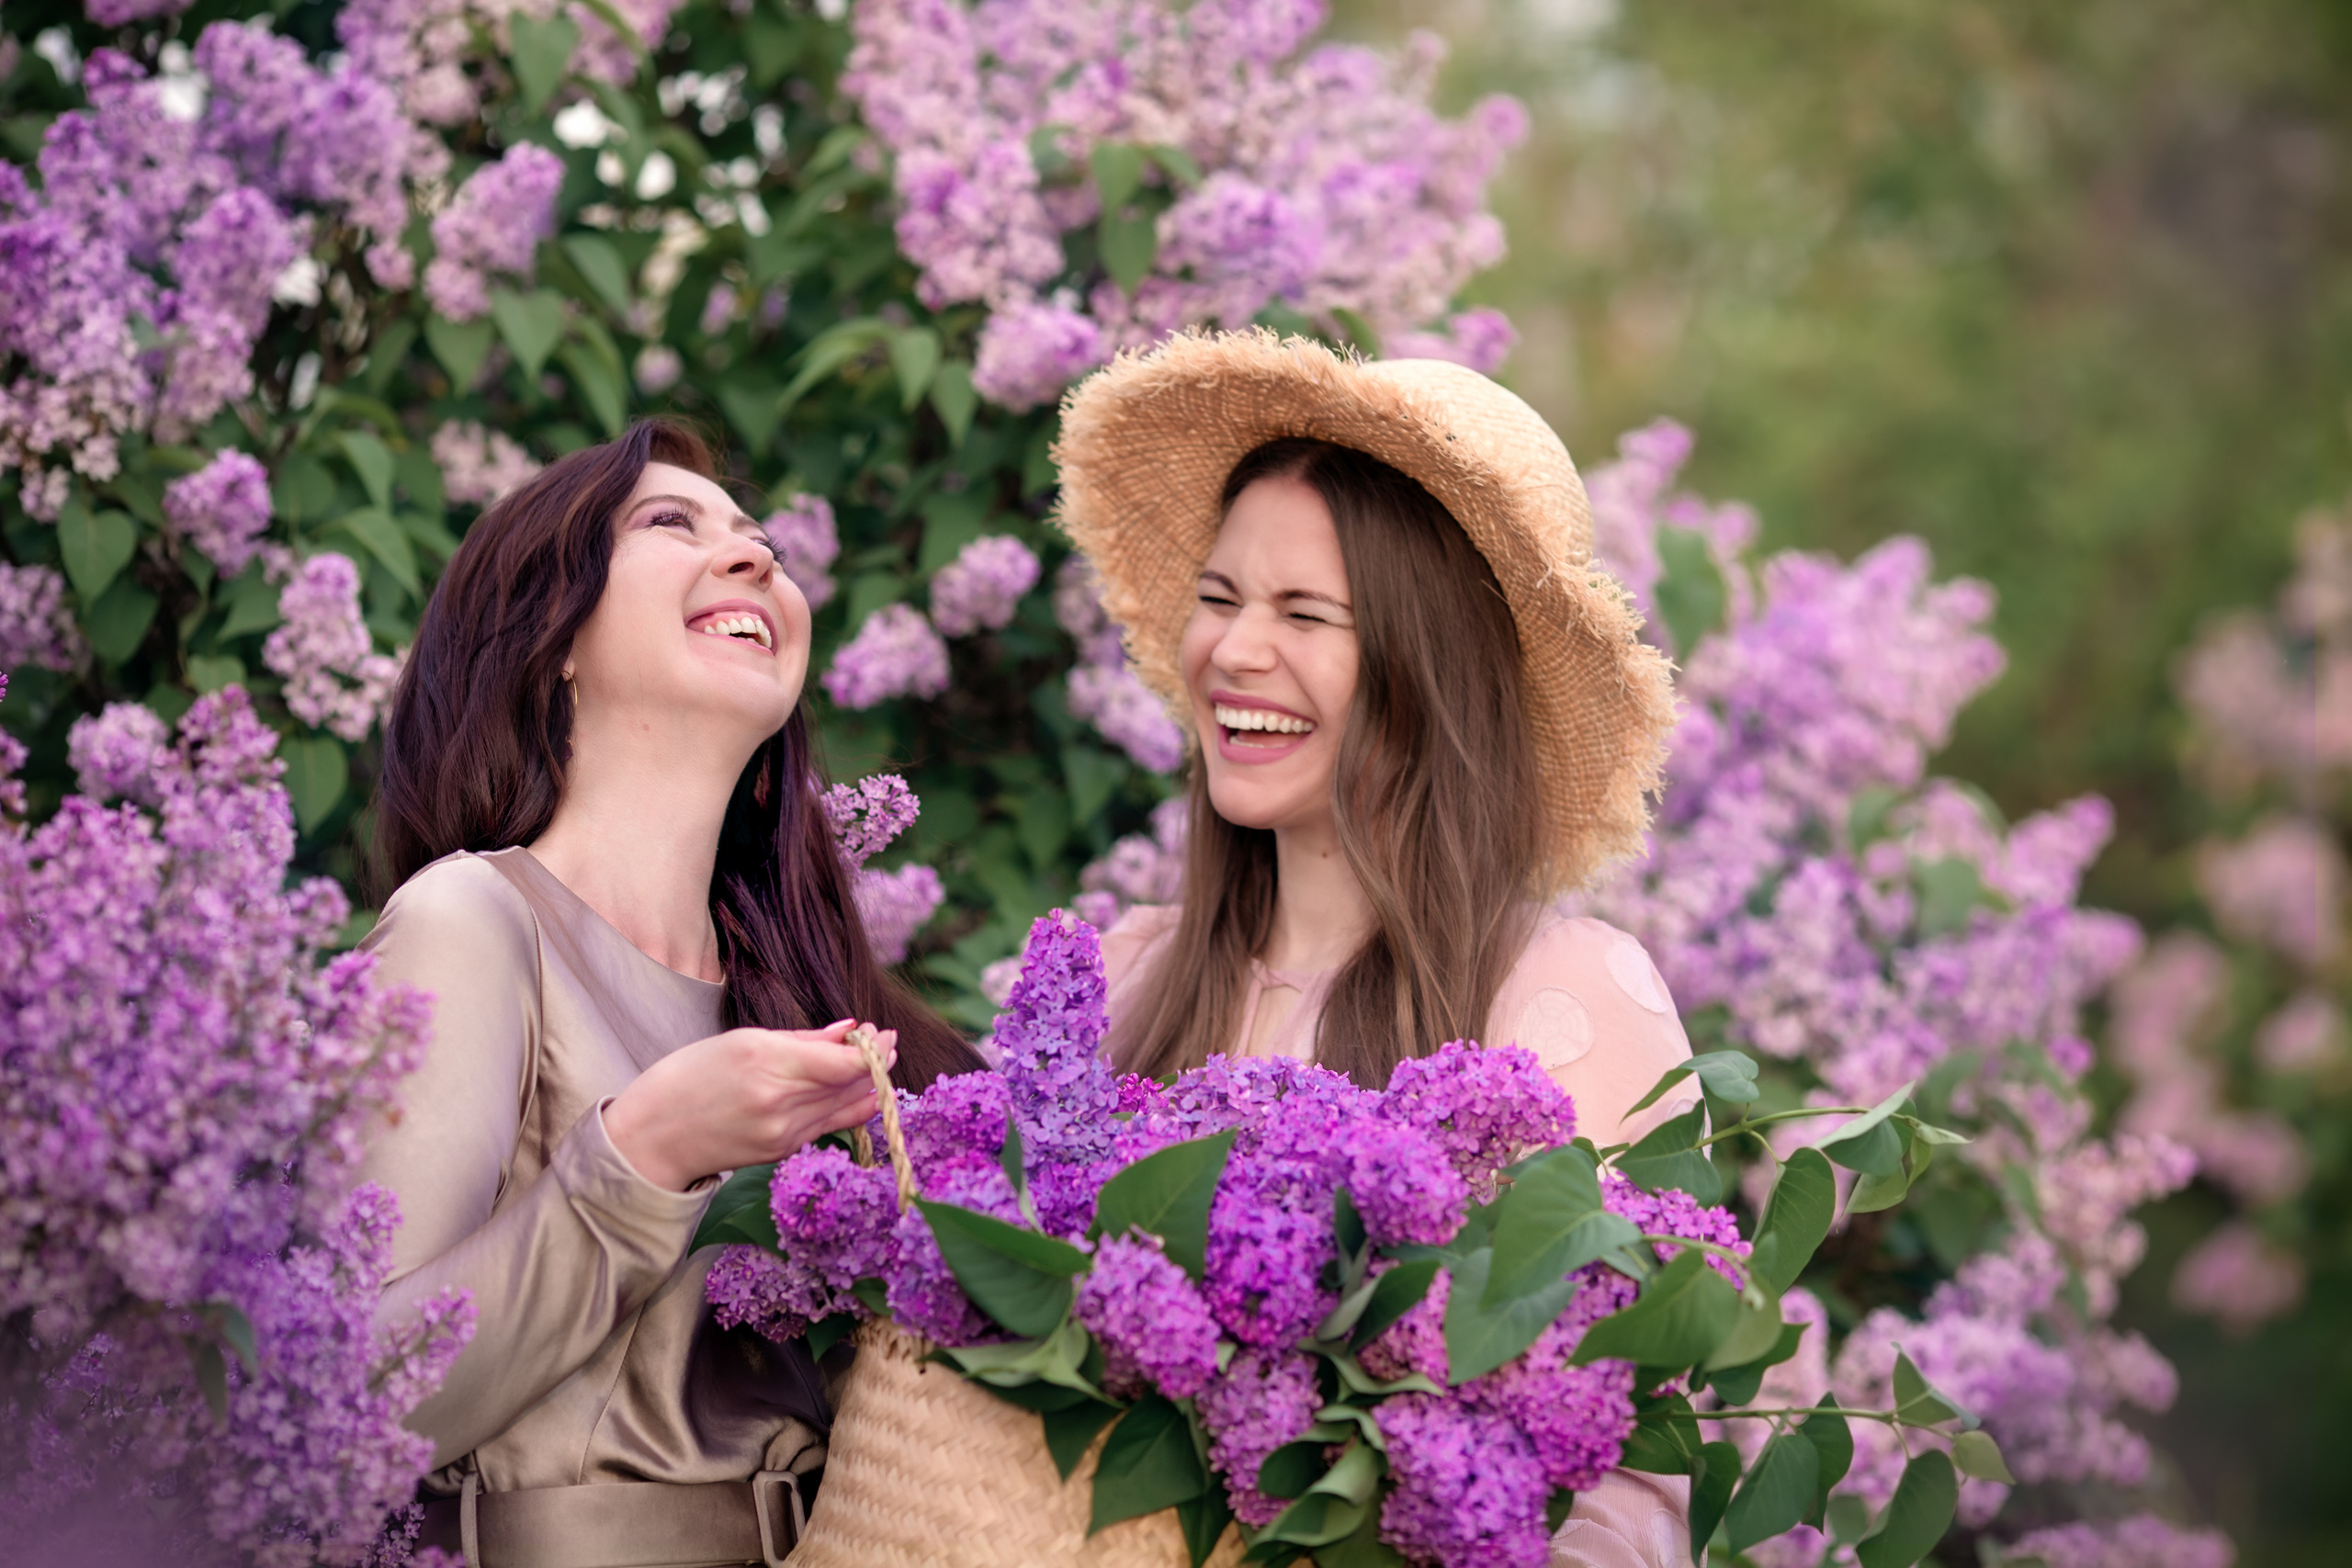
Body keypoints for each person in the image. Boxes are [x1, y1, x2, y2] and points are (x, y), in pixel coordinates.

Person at [1056, 330, 1696, 1568]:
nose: (1236, 651)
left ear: (1424, 670)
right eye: (1219, 598)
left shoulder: (1561, 997)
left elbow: (1637, 1474)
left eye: (1306, 613)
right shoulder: (1121, 974)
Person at [362, 419, 983, 1566]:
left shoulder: (809, 992)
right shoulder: (470, 922)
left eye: (761, 542)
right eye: (668, 523)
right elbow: (350, 1400)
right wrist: (644, 1154)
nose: (756, 559)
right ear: (550, 637)